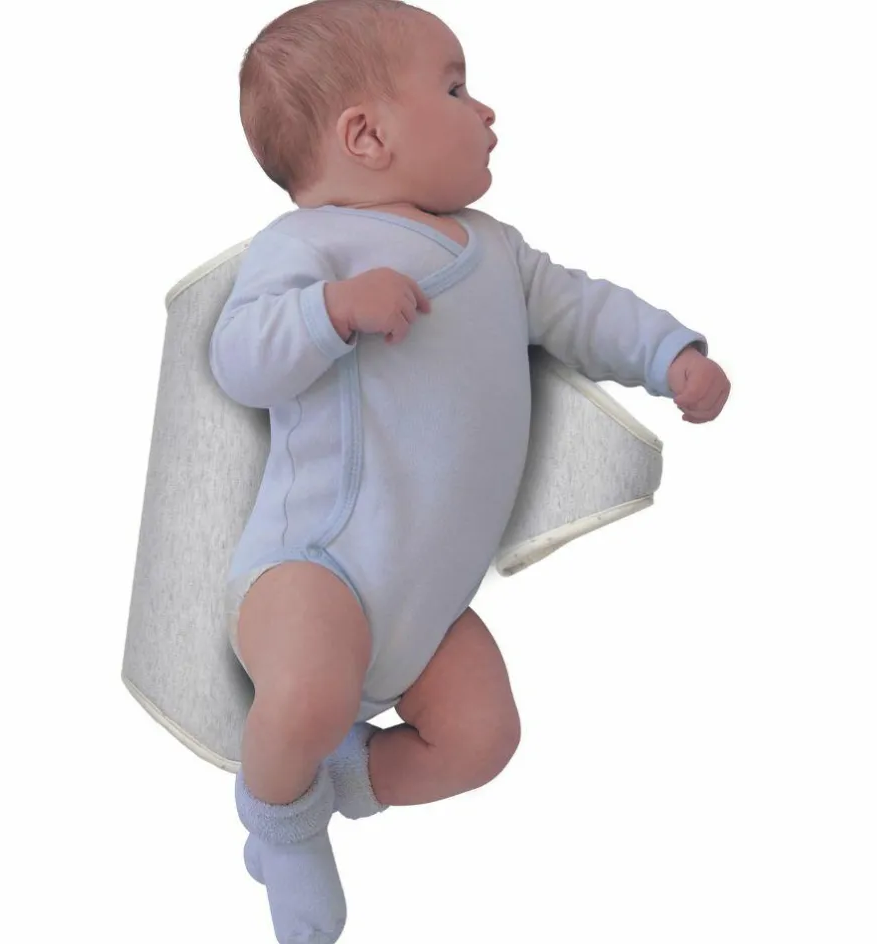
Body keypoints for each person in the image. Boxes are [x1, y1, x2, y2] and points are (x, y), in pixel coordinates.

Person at [209, 1, 731, 940]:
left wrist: (668, 354)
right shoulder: (309, 246)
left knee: (484, 738)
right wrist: (333, 309)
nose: (484, 110)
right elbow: (239, 359)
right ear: (366, 136)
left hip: (430, 602)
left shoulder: (497, 251)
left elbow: (584, 310)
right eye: (454, 88)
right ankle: (280, 824)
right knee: (311, 691)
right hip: (314, 567)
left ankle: (336, 780)